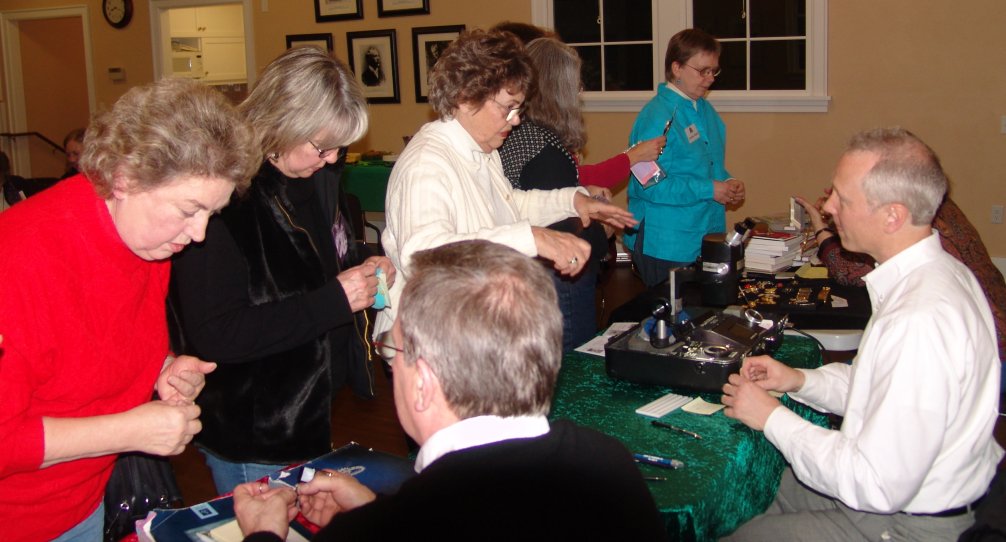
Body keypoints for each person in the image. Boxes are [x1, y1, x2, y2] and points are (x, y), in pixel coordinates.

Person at [232, 240, 668, 541]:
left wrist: (264, 534)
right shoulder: (609, 464)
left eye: (392, 350)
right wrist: (373, 507)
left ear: (423, 382)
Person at [0, 77, 259, 541]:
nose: (199, 234)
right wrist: (129, 431)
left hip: (83, 502)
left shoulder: (147, 242)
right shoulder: (18, 262)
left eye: (212, 213)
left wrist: (161, 369)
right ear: (125, 179)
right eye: (189, 210)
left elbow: (98, 344)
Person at [721, 128, 1003, 542]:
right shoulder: (936, 273)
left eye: (843, 199)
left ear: (892, 216)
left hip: (908, 520)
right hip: (895, 493)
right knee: (751, 493)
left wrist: (772, 418)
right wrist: (798, 380)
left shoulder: (919, 319)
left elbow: (875, 482)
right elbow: (881, 388)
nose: (829, 207)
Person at [169, 46, 396, 495]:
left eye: (340, 148)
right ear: (283, 121)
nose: (332, 158)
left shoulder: (316, 176)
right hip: (254, 428)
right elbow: (217, 334)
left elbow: (318, 265)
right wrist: (335, 299)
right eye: (323, 146)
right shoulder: (226, 199)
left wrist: (360, 266)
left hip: (309, 411)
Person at [373, 29, 637, 338]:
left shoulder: (481, 149)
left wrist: (573, 201)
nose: (515, 119)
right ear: (465, 97)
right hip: (431, 338)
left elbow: (509, 204)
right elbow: (422, 256)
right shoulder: (427, 163)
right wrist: (532, 237)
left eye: (518, 108)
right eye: (507, 107)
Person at [497, 37, 613, 350]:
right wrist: (603, 228)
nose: (580, 93)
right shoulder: (545, 151)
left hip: (531, 281)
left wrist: (583, 196)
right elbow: (564, 232)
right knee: (571, 369)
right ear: (560, 90)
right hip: (558, 285)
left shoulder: (520, 133)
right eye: (576, 85)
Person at [797, 193, 1006, 363]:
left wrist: (821, 227)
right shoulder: (930, 208)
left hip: (991, 353)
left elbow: (846, 270)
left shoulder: (917, 311)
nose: (832, 205)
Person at [625, 28, 746, 287]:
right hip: (667, 242)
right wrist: (709, 189)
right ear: (677, 68)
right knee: (672, 312)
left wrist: (728, 182)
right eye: (702, 71)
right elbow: (650, 185)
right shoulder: (656, 117)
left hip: (705, 233)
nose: (710, 78)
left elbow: (709, 165)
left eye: (714, 71)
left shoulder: (704, 109)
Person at [490, 20, 666, 190]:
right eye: (575, 86)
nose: (579, 93)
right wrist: (631, 158)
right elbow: (560, 193)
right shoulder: (542, 148)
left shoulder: (529, 132)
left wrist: (585, 193)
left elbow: (568, 181)